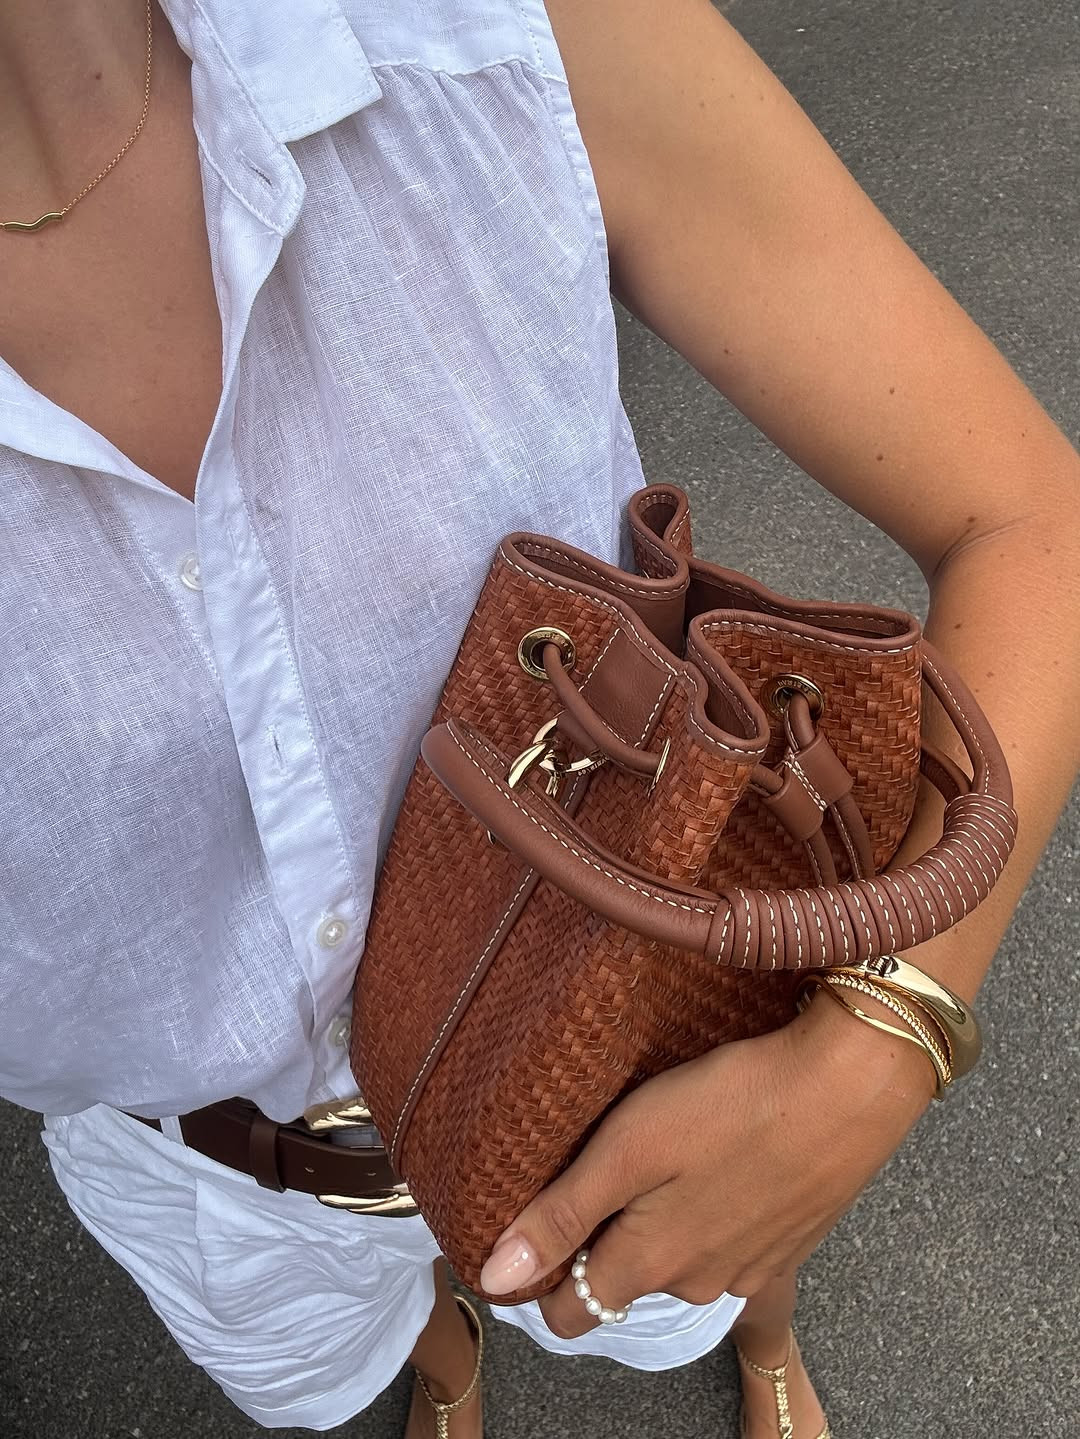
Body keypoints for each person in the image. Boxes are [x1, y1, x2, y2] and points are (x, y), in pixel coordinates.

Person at [1, 1, 1077, 1435]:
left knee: (727, 1234)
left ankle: (763, 1326)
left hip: (636, 1045)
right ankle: (439, 1361)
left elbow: (1031, 519)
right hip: (224, 1192)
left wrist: (876, 1050)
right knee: (347, 1363)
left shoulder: (495, 29)